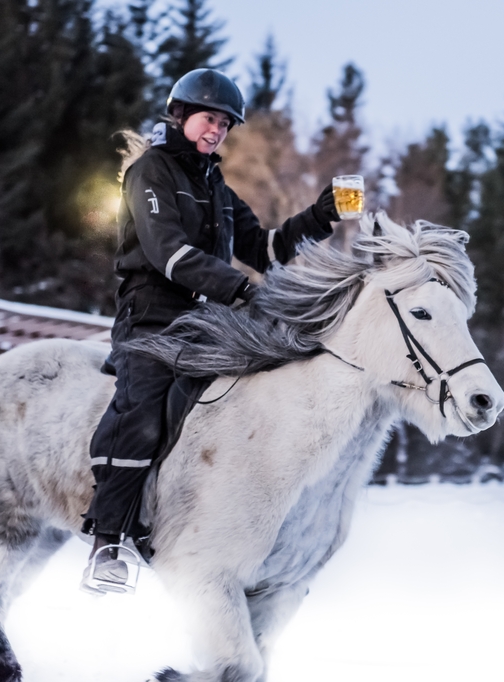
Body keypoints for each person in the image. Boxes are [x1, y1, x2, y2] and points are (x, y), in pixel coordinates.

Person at [81, 68, 341, 594]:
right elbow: (168, 252)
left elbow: (264, 249)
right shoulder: (151, 172)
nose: (217, 131)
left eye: (224, 124)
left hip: (206, 320)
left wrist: (319, 215)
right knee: (145, 409)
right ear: (180, 116)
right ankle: (108, 540)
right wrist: (239, 289)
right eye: (208, 119)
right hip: (151, 316)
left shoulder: (214, 184)